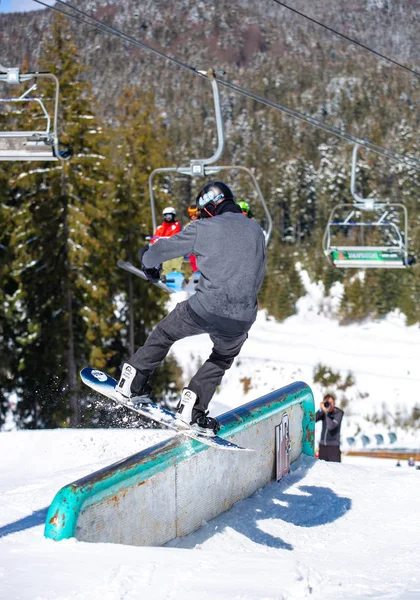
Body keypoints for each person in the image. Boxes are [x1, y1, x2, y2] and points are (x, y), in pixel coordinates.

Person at [115, 181, 266, 435]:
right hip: (241, 319)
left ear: (208, 207)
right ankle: (193, 407)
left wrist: (147, 261)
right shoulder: (256, 231)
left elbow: (159, 251)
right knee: (222, 357)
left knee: (166, 333)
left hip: (205, 307)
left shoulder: (203, 228)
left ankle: (133, 379)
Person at [151, 206, 183, 278]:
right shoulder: (160, 228)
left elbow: (175, 236)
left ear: (173, 216)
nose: (168, 217)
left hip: (174, 249)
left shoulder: (176, 226)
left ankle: (176, 274)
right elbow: (155, 239)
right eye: (166, 216)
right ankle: (163, 274)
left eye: (170, 215)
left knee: (175, 258)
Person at [315, 394, 344, 462]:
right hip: (322, 447)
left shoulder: (338, 413)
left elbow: (331, 426)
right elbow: (313, 419)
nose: (330, 405)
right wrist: (320, 410)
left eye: (331, 403)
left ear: (334, 403)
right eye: (327, 403)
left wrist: (326, 413)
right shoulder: (323, 413)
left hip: (333, 447)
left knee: (335, 470)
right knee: (322, 470)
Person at [185, 204, 199, 273]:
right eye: (191, 214)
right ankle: (196, 273)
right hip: (192, 247)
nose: (193, 216)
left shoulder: (204, 222)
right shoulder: (188, 226)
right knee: (192, 257)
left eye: (195, 214)